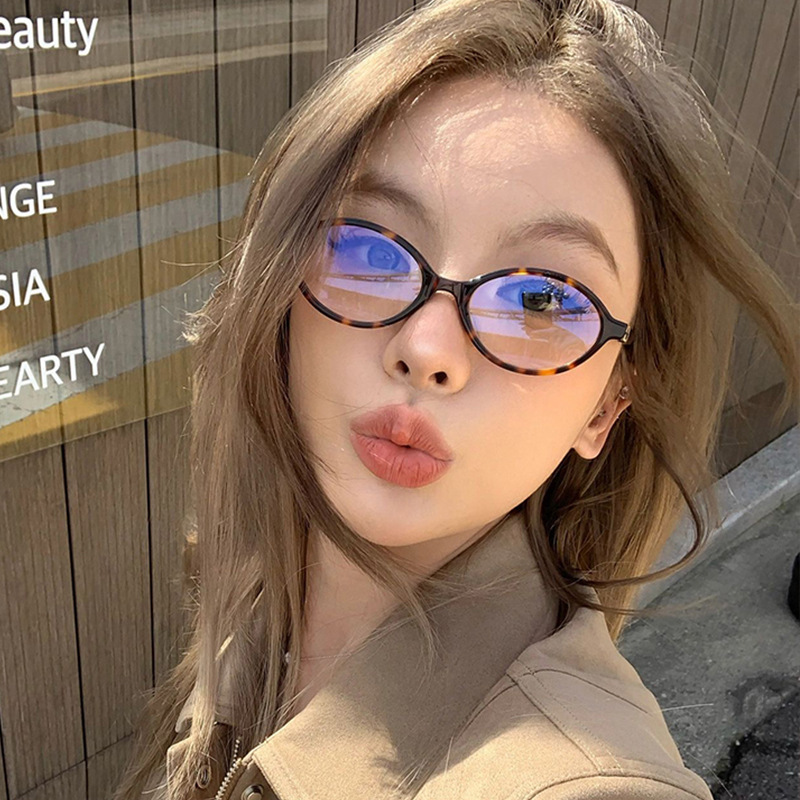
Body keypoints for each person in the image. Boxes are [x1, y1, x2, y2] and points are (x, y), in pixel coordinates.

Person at [114, 1, 800, 798]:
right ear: (278, 292)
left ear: (607, 404)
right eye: (369, 246)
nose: (429, 349)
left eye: (541, 301)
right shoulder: (255, 597)